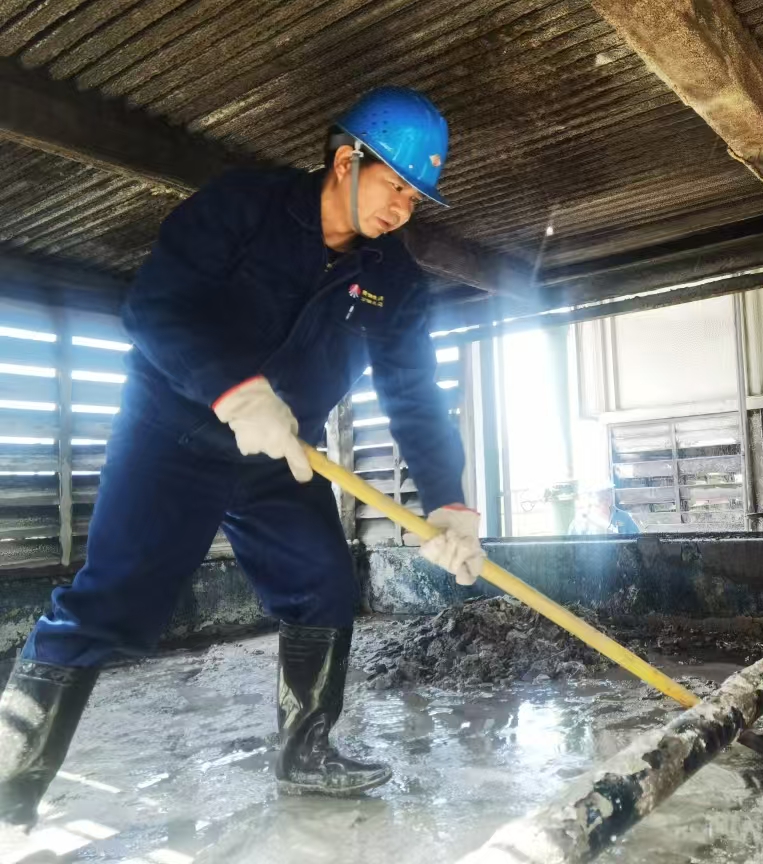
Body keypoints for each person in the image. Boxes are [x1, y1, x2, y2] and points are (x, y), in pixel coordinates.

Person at [0, 87, 489, 828]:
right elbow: (154, 308)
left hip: (281, 456)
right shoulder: (244, 207)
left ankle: (307, 751)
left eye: (416, 198)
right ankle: (12, 778)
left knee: (324, 581)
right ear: (345, 160)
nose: (403, 209)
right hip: (174, 432)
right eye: (395, 185)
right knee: (114, 600)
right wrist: (233, 390)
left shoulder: (393, 280)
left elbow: (414, 393)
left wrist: (448, 502)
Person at [567, 483, 641, 535]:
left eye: (608, 491)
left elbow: (636, 542)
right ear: (591, 498)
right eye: (601, 493)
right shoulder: (581, 521)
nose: (606, 496)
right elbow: (571, 548)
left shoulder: (624, 517)